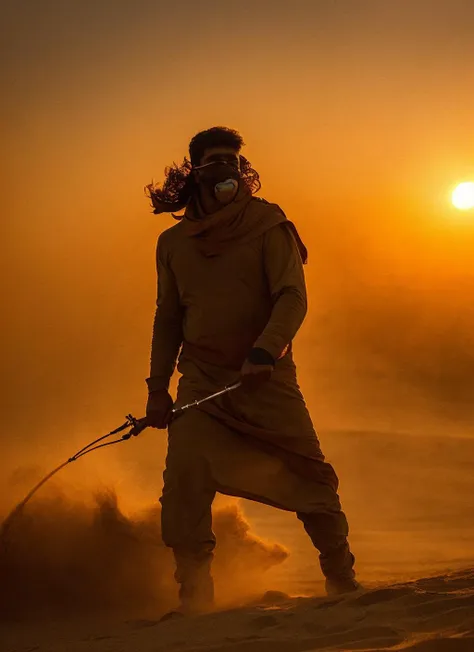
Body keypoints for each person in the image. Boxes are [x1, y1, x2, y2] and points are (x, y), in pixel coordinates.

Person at [144, 126, 358, 617]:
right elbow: (168, 318)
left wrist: (265, 351)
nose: (227, 169)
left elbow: (292, 296)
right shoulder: (172, 243)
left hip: (266, 378)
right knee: (184, 479)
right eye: (215, 160)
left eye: (234, 161)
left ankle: (341, 578)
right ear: (194, 169)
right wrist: (158, 390)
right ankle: (194, 598)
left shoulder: (269, 225)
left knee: (311, 478)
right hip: (201, 381)